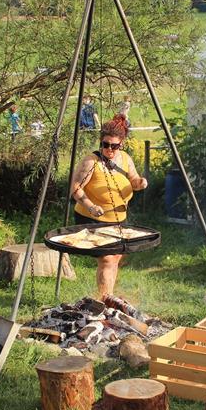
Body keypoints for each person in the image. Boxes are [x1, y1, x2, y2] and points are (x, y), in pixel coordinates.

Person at [70, 115, 148, 298]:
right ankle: (105, 301)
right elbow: (75, 188)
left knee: (114, 259)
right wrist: (90, 206)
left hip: (119, 220)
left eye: (114, 146)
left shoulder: (126, 159)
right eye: (106, 145)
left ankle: (108, 296)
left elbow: (133, 180)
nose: (110, 149)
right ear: (101, 142)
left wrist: (140, 183)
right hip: (92, 219)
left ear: (122, 144)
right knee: (107, 259)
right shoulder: (91, 162)